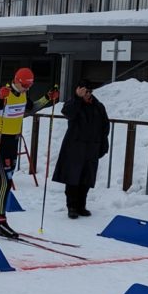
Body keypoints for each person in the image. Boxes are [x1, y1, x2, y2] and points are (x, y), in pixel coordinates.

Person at [0, 68, 58, 238]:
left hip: (13, 142)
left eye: (28, 87)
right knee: (6, 182)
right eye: (24, 86)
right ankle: (1, 220)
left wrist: (47, 98)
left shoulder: (22, 95)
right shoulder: (5, 93)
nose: (26, 89)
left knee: (3, 182)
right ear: (17, 80)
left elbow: (32, 107)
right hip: (1, 142)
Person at [51, 79, 110, 219]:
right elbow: (68, 112)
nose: (88, 94)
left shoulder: (98, 106)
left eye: (90, 92)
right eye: (85, 91)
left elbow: (105, 126)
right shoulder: (74, 103)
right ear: (78, 90)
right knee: (72, 178)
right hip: (75, 147)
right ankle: (71, 206)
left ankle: (81, 205)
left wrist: (103, 144)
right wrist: (77, 98)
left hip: (91, 147)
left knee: (87, 178)